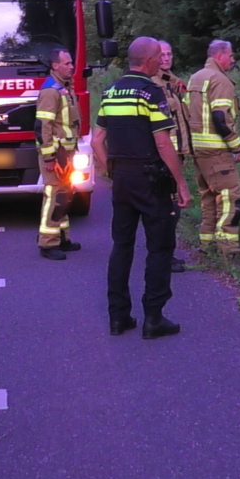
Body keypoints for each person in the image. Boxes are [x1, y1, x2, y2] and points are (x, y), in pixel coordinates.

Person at [92, 37, 191, 339]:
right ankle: (153, 319)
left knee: (121, 246)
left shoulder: (110, 92)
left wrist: (112, 170)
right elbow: (163, 142)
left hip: (121, 179)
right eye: (158, 57)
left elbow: (97, 141)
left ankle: (119, 318)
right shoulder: (151, 92)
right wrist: (181, 184)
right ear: (148, 61)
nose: (161, 61)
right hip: (150, 179)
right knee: (159, 247)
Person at [186, 40, 240, 259]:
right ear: (220, 56)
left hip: (198, 150)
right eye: (230, 56)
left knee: (209, 198)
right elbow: (220, 117)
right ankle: (228, 251)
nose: (232, 59)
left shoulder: (196, 77)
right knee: (232, 199)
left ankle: (206, 245)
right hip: (217, 151)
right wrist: (236, 145)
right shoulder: (220, 80)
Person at [35, 48, 82, 260]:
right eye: (67, 63)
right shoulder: (50, 91)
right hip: (57, 154)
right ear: (55, 66)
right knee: (54, 197)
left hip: (67, 152)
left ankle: (63, 238)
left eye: (71, 63)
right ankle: (47, 243)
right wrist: (48, 157)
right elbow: (42, 126)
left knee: (64, 196)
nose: (71, 66)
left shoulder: (64, 88)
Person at [152, 40, 192, 272]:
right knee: (165, 208)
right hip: (164, 155)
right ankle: (163, 257)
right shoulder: (154, 84)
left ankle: (167, 253)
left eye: (169, 54)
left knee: (169, 207)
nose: (166, 58)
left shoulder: (171, 81)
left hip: (175, 153)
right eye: (162, 54)